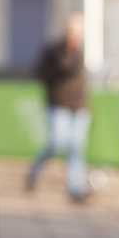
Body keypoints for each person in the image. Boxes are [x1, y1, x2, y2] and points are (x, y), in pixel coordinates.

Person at [27, 12, 92, 201]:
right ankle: (34, 172)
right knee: (57, 143)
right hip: (58, 104)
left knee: (77, 147)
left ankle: (75, 188)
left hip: (79, 106)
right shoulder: (53, 50)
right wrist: (61, 66)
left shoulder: (81, 53)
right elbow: (40, 72)